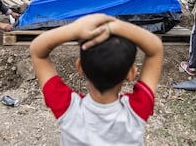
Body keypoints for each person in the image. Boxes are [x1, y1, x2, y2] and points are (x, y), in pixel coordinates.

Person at [30, 13, 163, 145]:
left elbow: (37, 51)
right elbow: (155, 49)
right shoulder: (136, 111)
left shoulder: (68, 109)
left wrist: (74, 29)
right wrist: (115, 27)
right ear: (131, 73)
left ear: (79, 66)